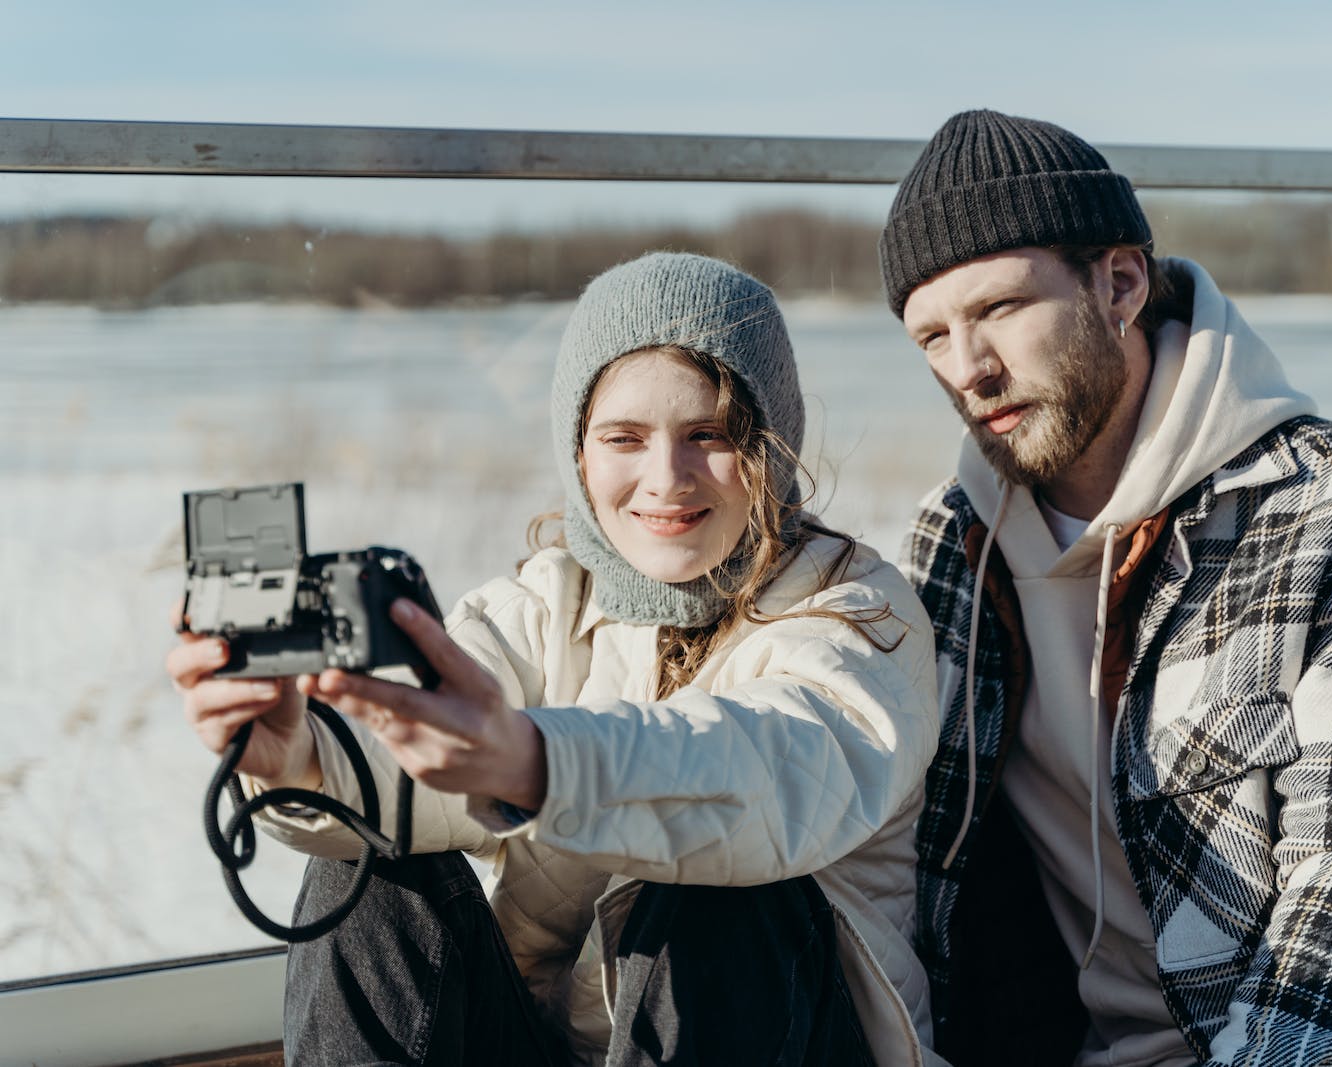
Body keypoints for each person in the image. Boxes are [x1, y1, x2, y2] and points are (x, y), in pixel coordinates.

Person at [879, 110, 1332, 1067]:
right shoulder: (954, 547)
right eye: (932, 334)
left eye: (1000, 309)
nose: (968, 368)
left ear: (1120, 282)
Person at [167, 252, 945, 1066]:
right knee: (364, 867)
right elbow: (411, 761)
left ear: (772, 448)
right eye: (624, 438)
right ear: (581, 456)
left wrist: (537, 761)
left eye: (708, 435)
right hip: (547, 1043)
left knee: (713, 892)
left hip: (793, 1035)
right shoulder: (543, 606)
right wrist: (299, 756)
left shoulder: (858, 612)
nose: (665, 478)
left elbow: (770, 775)